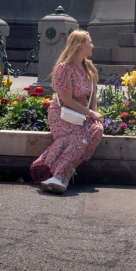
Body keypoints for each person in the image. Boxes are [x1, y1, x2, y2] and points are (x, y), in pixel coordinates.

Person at [30, 30, 104, 194]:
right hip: (62, 114)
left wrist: (94, 115)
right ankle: (58, 177)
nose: (93, 45)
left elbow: (92, 98)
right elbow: (67, 100)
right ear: (81, 45)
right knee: (80, 138)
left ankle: (63, 174)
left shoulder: (89, 68)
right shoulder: (64, 68)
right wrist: (91, 114)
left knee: (97, 130)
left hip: (81, 115)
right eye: (90, 42)